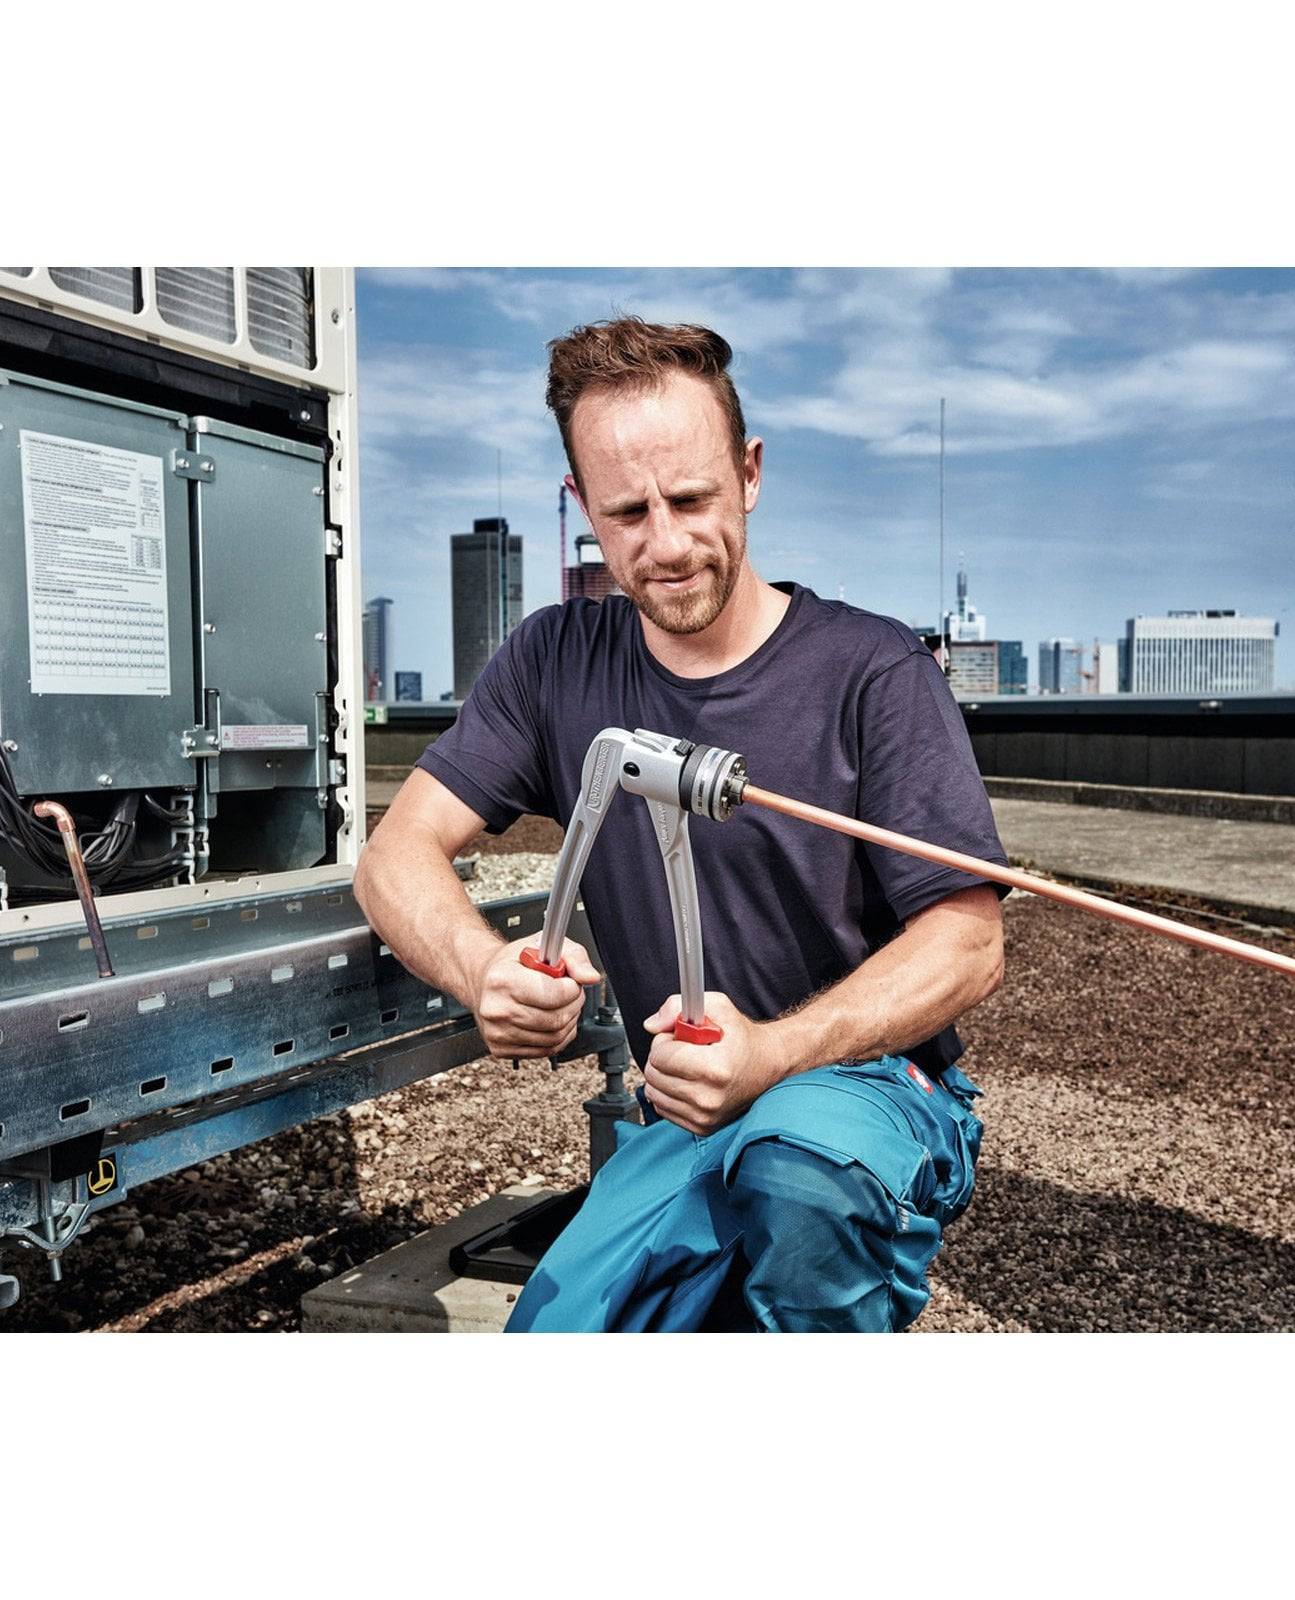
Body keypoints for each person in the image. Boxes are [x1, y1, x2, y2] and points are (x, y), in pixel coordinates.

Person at [353, 316, 1009, 1332]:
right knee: (555, 1331)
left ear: (749, 473)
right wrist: (481, 971)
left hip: (865, 1089)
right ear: (579, 505)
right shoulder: (553, 661)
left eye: (691, 498)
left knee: (798, 1181)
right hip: (687, 1114)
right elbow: (394, 855)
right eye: (625, 513)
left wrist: (774, 1052)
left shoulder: (875, 673)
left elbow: (967, 942)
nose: (663, 544)